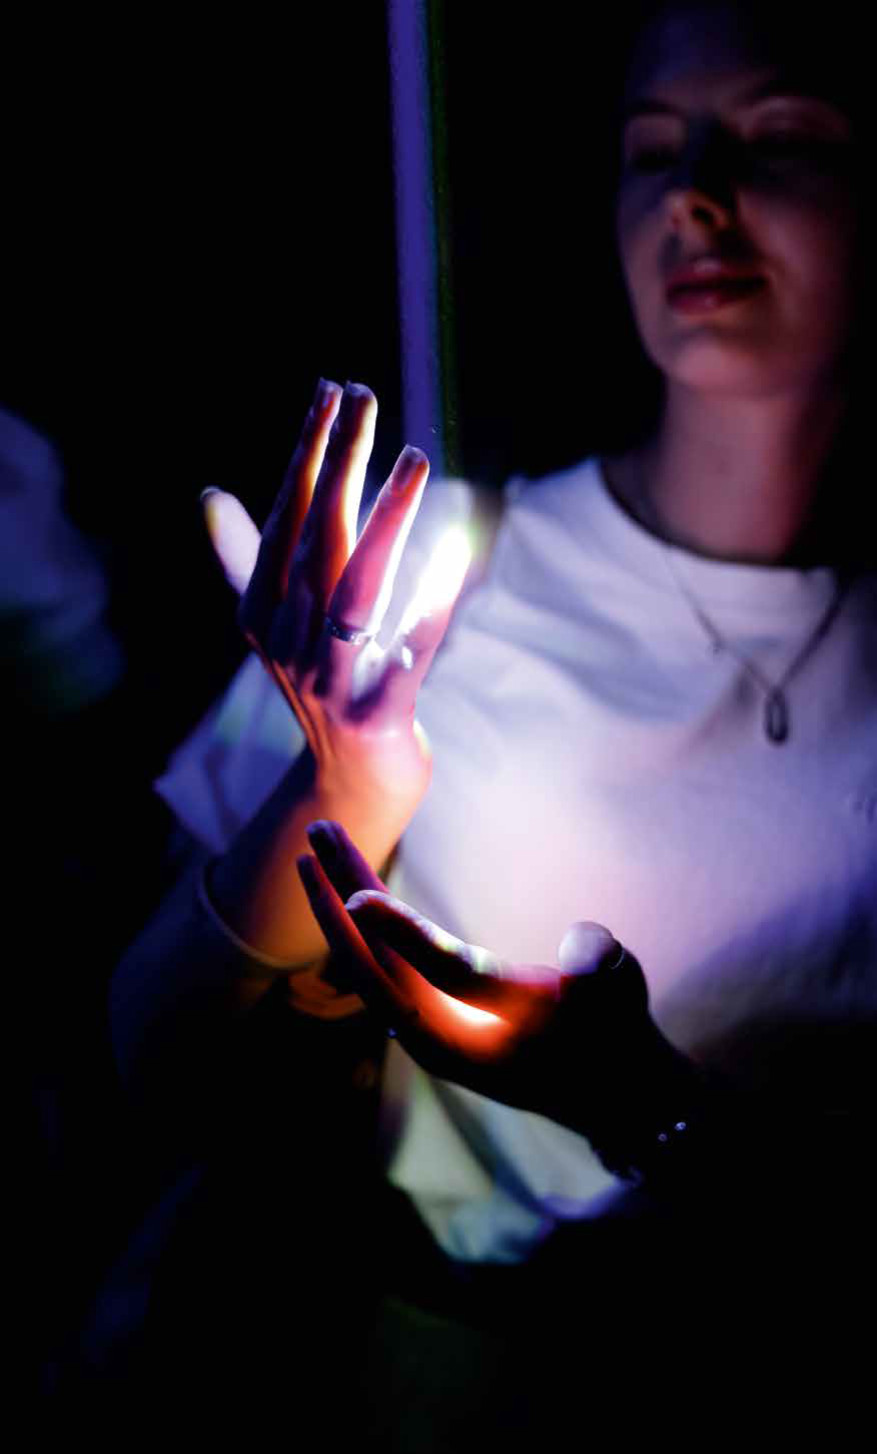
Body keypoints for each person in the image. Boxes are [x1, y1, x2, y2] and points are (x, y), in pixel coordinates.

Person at [103, 0, 876, 1428]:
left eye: (775, 137)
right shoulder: (421, 587)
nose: (696, 193)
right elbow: (148, 1057)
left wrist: (643, 1100)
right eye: (652, 147)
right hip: (432, 1384)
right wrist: (341, 786)